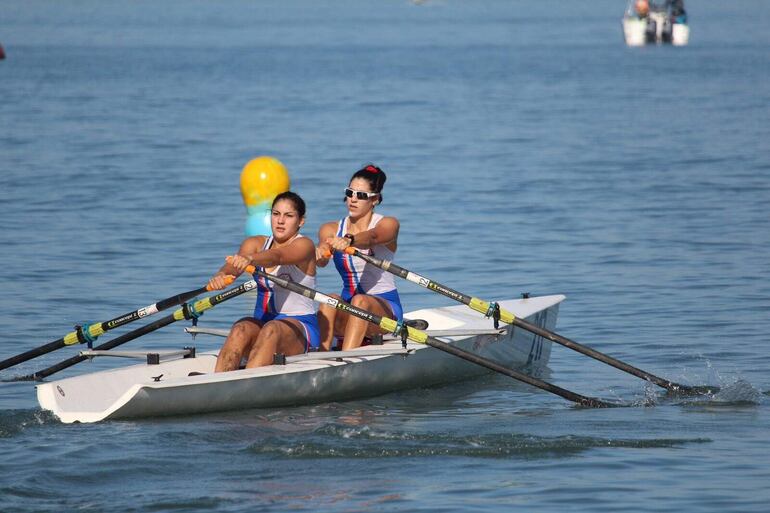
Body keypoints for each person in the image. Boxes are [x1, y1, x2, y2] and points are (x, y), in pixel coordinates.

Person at [207, 191, 320, 371]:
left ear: (301, 221)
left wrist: (251, 259)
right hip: (263, 326)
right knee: (241, 327)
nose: (280, 221)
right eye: (276, 214)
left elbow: (278, 256)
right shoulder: (254, 244)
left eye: (288, 216)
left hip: (301, 330)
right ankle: (217, 382)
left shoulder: (304, 246)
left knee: (272, 329)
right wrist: (221, 275)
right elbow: (232, 267)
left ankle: (246, 386)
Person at [316, 164, 403, 351]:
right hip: (350, 308)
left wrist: (350, 240)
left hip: (386, 313)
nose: (353, 199)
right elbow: (322, 260)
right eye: (350, 193)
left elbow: (374, 237)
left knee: (360, 301)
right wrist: (319, 253)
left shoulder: (388, 224)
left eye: (361, 195)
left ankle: (347, 359)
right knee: (329, 299)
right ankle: (320, 358)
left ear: (375, 200)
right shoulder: (330, 229)